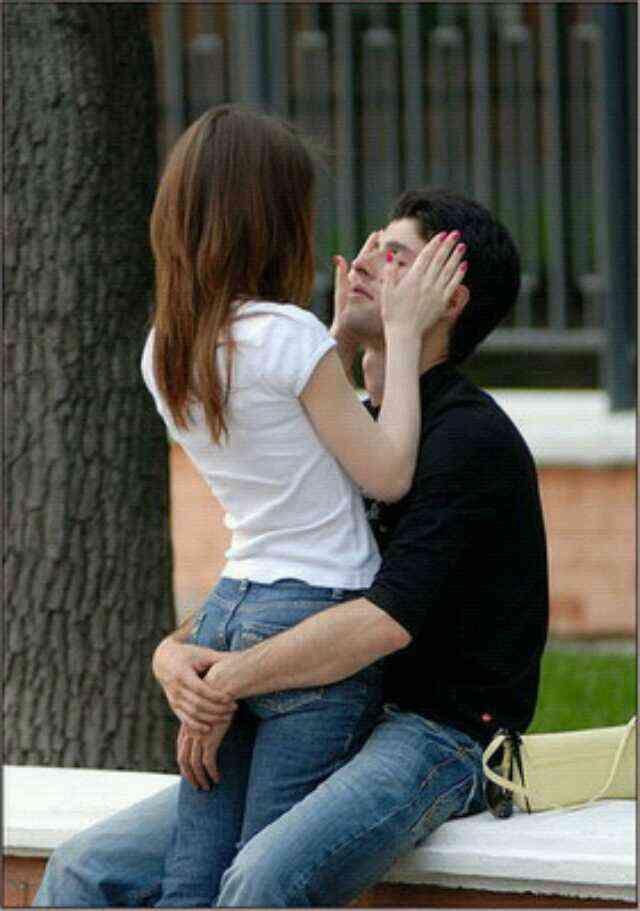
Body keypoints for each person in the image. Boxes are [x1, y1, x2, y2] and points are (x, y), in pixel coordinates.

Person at [34, 188, 548, 908]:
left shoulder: (469, 442)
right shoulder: (356, 427)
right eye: (371, 241)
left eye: (395, 256)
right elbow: (285, 575)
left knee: (260, 879)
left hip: (440, 738)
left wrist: (230, 679)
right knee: (84, 868)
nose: (364, 259)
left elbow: (381, 621)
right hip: (329, 703)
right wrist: (174, 653)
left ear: (446, 298)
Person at [143, 104, 468, 908]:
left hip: (228, 614)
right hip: (309, 620)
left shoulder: (165, 349)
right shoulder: (290, 337)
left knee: (194, 874)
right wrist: (395, 325)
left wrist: (332, 343)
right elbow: (387, 472)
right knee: (265, 875)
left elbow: (287, 440)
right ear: (274, 221)